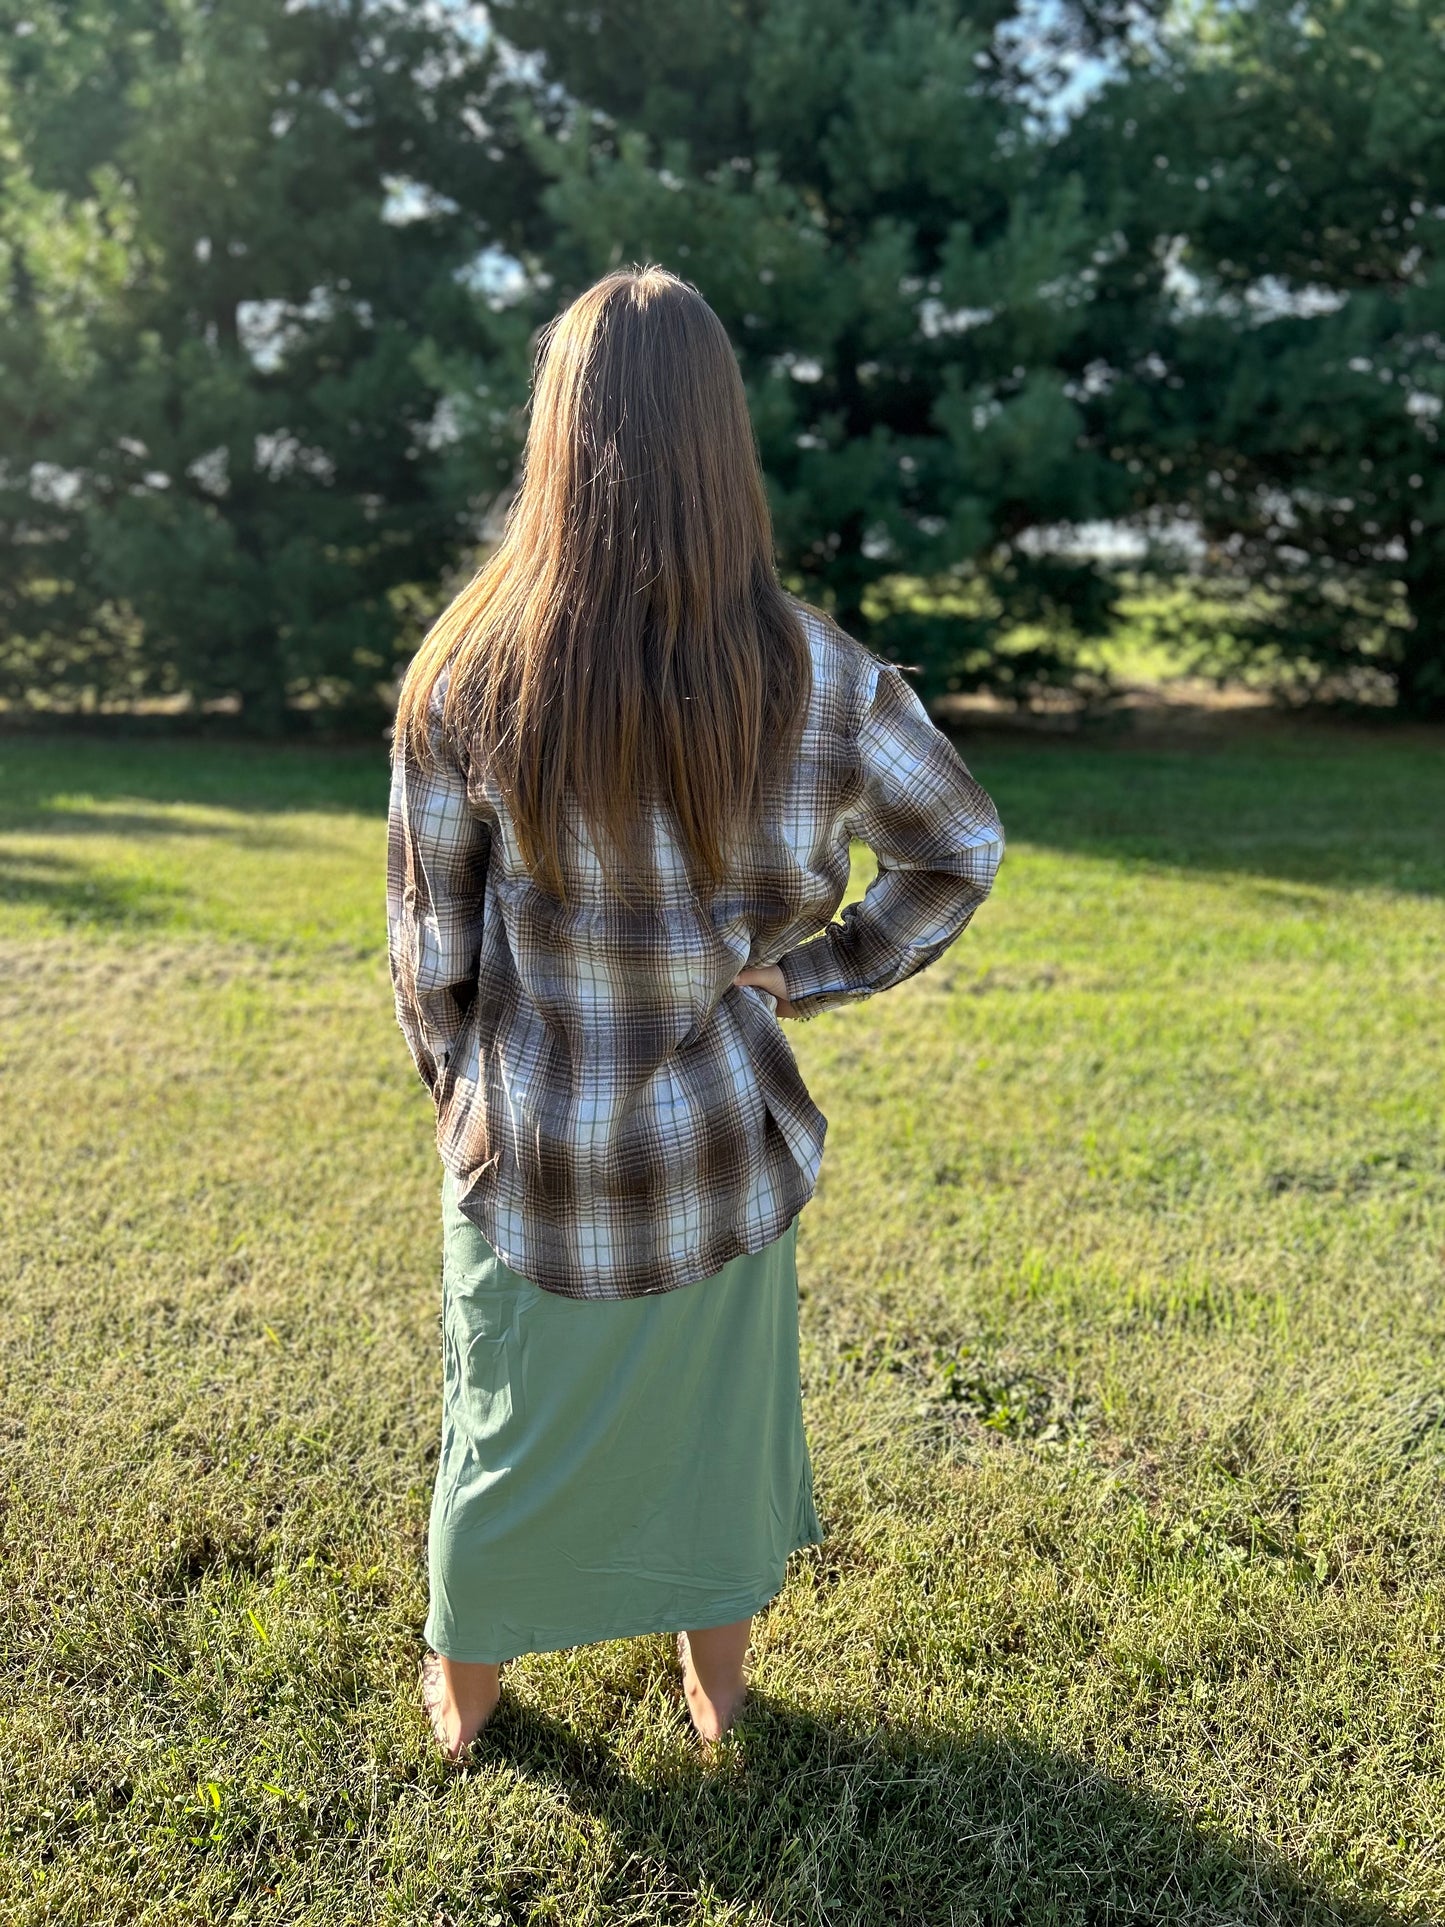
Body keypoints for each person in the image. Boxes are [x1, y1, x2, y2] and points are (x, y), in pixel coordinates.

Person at [386, 264, 1004, 1763]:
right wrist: (810, 970)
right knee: (711, 1445)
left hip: (533, 1159)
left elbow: (431, 956)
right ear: (723, 444)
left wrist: (464, 1103)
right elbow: (957, 850)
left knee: (506, 1435)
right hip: (728, 1151)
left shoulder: (467, 674)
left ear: (557, 436)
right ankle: (713, 1692)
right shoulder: (820, 673)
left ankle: (465, 1705)